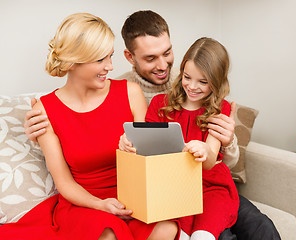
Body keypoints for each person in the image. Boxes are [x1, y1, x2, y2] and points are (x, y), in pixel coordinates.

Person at [24, 10, 280, 240]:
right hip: (146, 190)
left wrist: (229, 141)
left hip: (198, 183)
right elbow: (143, 147)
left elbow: (213, 155)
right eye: (150, 58)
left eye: (167, 53)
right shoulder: (132, 92)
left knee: (261, 227)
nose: (163, 65)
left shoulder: (190, 82)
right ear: (131, 57)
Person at [0, 13, 179, 240]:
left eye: (110, 57)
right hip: (84, 204)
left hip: (134, 199)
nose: (110, 66)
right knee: (108, 234)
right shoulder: (44, 110)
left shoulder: (130, 92)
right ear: (73, 62)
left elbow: (149, 160)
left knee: (166, 228)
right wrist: (100, 205)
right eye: (100, 60)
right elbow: (63, 182)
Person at [120, 37, 239, 240]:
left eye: (203, 82)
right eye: (187, 77)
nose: (192, 86)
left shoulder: (221, 108)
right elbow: (147, 151)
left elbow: (210, 161)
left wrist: (204, 150)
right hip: (172, 187)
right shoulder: (160, 103)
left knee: (203, 236)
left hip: (210, 188)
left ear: (217, 82)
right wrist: (129, 143)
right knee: (179, 234)